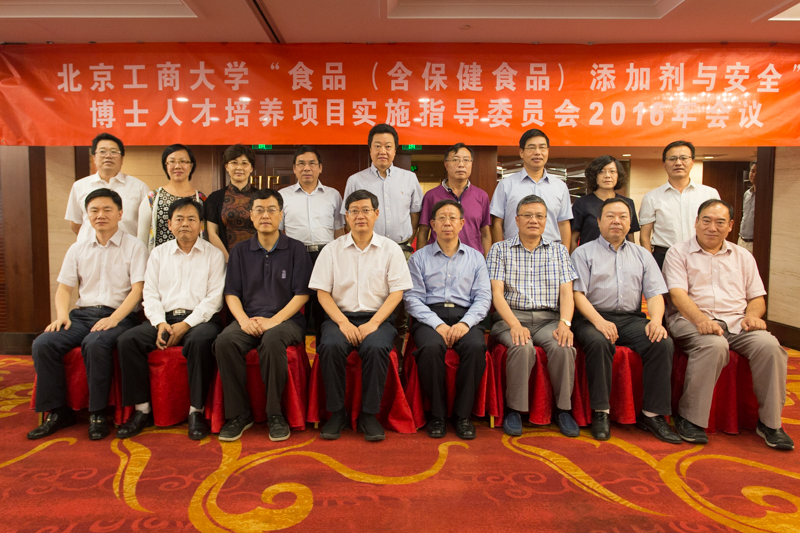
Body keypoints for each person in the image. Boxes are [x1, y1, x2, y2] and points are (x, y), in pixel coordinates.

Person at [663, 199, 793, 450]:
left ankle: (770, 424)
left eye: (720, 222)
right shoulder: (678, 252)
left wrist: (753, 315)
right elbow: (677, 295)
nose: (712, 227)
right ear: (696, 222)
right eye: (706, 221)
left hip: (736, 322)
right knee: (714, 345)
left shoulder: (743, 256)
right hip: (690, 320)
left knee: (771, 347)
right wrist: (702, 320)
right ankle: (689, 418)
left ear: (731, 226)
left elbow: (756, 297)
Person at [28, 189, 146, 441]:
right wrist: (62, 315)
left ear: (120, 214)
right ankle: (58, 412)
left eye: (107, 209)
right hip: (82, 315)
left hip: (120, 316)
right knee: (43, 343)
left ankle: (97, 413)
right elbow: (64, 288)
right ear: (87, 215)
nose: (100, 215)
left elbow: (138, 290)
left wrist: (114, 319)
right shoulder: (78, 248)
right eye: (94, 210)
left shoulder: (135, 246)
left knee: (95, 343)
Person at [571, 198, 680, 444]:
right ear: (599, 221)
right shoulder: (583, 253)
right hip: (592, 316)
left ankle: (652, 414)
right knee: (599, 342)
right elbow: (577, 295)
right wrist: (599, 321)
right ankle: (601, 412)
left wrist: (656, 321)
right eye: (610, 216)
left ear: (630, 224)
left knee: (661, 342)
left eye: (623, 217)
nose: (616, 221)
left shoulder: (642, 255)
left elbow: (655, 293)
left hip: (631, 318)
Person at [116, 198, 225, 440]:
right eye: (179, 219)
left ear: (201, 225)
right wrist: (159, 323)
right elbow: (150, 293)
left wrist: (186, 324)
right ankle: (141, 409)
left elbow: (214, 299)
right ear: (169, 224)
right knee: (128, 340)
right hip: (163, 318)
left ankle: (196, 411)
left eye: (191, 219)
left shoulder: (214, 255)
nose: (185, 224)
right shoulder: (158, 254)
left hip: (201, 320)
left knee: (200, 341)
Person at [310, 190, 413, 442]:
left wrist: (374, 323)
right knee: (331, 346)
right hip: (339, 317)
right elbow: (322, 293)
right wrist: (343, 323)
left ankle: (369, 415)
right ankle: (337, 413)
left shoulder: (390, 249)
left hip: (378, 318)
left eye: (365, 210)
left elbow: (397, 293)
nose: (360, 216)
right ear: (346, 216)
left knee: (376, 348)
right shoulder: (331, 250)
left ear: (376, 214)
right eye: (354, 211)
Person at [212, 189, 312, 442]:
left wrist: (273, 321)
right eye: (259, 210)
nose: (265, 215)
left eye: (271, 210)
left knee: (272, 340)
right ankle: (239, 414)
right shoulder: (239, 251)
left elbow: (302, 295)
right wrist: (243, 321)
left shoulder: (296, 249)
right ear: (251, 215)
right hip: (249, 318)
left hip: (286, 321)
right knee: (225, 341)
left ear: (281, 215)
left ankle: (275, 413)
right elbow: (231, 294)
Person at [487, 194, 579, 438]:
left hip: (549, 319)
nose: (533, 220)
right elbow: (496, 294)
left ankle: (563, 410)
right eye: (527, 215)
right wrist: (514, 325)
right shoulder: (500, 249)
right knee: (522, 346)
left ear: (547, 221)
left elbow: (567, 293)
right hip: (511, 318)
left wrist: (565, 323)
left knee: (563, 346)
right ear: (516, 220)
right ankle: (514, 410)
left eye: (539, 216)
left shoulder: (559, 251)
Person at [405, 199, 491, 439]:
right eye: (441, 218)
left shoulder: (476, 258)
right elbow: (412, 299)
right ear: (432, 224)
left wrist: (465, 323)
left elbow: (483, 298)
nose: (447, 223)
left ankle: (462, 416)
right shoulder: (419, 258)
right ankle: (437, 415)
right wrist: (438, 324)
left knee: (475, 347)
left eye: (453, 218)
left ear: (462, 223)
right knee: (431, 348)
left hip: (466, 316)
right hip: (430, 317)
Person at [342, 124, 422, 355]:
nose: (382, 151)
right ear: (370, 149)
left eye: (388, 146)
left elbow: (415, 214)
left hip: (401, 250)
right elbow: (348, 217)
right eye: (377, 146)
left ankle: (396, 361)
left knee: (401, 307)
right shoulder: (355, 180)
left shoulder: (409, 178)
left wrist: (408, 238)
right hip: (368, 251)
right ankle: (370, 352)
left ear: (395, 150)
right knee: (371, 301)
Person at [279, 146, 345, 345]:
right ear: (294, 168)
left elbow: (339, 231)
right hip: (295, 256)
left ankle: (322, 349)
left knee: (323, 305)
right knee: (297, 303)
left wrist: (341, 259)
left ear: (320, 168)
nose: (306, 168)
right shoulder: (282, 196)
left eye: (311, 163)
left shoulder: (333, 195)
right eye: (301, 164)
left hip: (326, 255)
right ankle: (297, 348)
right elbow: (278, 232)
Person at [639, 140, 720, 269]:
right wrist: (650, 265)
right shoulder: (651, 197)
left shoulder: (709, 193)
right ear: (664, 164)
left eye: (683, 158)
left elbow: (718, 226)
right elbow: (644, 236)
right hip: (664, 257)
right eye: (672, 159)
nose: (678, 163)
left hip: (701, 254)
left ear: (692, 162)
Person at [490, 129, 572, 245]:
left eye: (542, 147)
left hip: (551, 252)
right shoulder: (506, 185)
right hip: (514, 251)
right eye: (531, 148)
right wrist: (500, 252)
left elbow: (563, 223)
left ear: (548, 151)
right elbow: (497, 222)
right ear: (521, 152)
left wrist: (564, 253)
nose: (537, 152)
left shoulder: (560, 186)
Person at [65, 133, 149, 242]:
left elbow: (146, 225)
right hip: (90, 249)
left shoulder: (139, 187)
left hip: (127, 249)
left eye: (114, 152)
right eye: (102, 151)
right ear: (94, 158)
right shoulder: (79, 186)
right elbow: (75, 224)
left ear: (122, 159)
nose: (108, 156)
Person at [416, 143, 492, 256]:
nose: (461, 164)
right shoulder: (431, 196)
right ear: (446, 164)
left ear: (471, 164)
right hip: (437, 259)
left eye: (466, 160)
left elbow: (485, 234)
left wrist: (487, 262)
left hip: (472, 260)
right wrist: (421, 260)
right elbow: (423, 232)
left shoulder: (481, 196)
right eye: (455, 160)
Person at [138, 144, 207, 253]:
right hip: (160, 260)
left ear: (191, 166)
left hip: (195, 259)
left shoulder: (202, 199)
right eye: (172, 161)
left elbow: (207, 238)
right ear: (165, 166)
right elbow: (141, 240)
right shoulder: (152, 198)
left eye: (183, 161)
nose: (177, 166)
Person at [569, 155, 640, 254]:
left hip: (621, 257)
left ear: (618, 175)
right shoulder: (582, 203)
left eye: (612, 171)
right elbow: (573, 239)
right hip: (589, 258)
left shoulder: (627, 203)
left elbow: (630, 237)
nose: (607, 176)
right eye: (601, 172)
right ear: (594, 176)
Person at [205, 144, 258, 262]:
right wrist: (229, 260)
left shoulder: (261, 197)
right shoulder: (215, 198)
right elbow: (212, 233)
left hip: (258, 259)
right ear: (226, 166)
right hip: (225, 260)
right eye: (234, 162)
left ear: (251, 168)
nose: (239, 167)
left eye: (244, 163)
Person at [738, 161, 756, 254]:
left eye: (758, 172)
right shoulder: (747, 193)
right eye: (752, 171)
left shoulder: (766, 195)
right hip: (742, 240)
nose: (754, 175)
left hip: (755, 242)